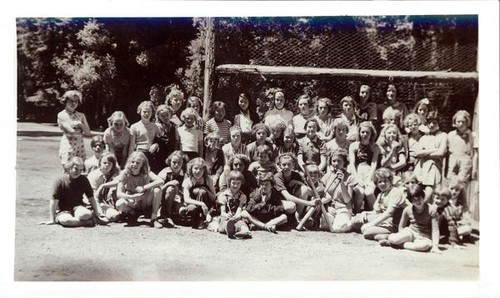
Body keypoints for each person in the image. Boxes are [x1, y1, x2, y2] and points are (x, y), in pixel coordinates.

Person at [41, 157, 108, 227]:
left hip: (78, 207)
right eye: (76, 169)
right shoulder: (60, 181)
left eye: (81, 170)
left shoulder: (83, 180)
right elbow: (54, 200)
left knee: (85, 215)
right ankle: (89, 222)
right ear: (69, 167)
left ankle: (83, 219)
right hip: (63, 210)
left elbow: (91, 198)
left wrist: (98, 213)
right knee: (66, 221)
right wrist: (52, 219)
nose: (78, 172)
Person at [380, 184, 440, 253]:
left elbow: (435, 229)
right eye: (414, 199)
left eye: (419, 198)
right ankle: (393, 241)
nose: (417, 201)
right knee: (393, 239)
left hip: (424, 237)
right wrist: (401, 236)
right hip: (410, 233)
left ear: (423, 196)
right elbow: (401, 226)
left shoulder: (432, 210)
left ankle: (399, 245)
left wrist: (435, 246)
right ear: (411, 200)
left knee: (425, 246)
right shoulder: (408, 209)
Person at [355, 168, 407, 242]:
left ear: (390, 181)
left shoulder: (395, 192)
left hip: (396, 223)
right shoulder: (381, 194)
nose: (382, 184)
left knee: (367, 231)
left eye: (385, 181)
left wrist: (371, 224)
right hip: (386, 221)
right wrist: (365, 212)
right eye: (380, 182)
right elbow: (377, 212)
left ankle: (390, 235)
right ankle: (381, 236)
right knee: (358, 219)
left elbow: (389, 213)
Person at [115, 151, 164, 228]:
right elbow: (119, 193)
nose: (134, 165)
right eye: (132, 162)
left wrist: (144, 187)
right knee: (119, 204)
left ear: (142, 164)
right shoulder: (125, 173)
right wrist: (133, 197)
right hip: (132, 200)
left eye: (137, 163)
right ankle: (133, 214)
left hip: (144, 199)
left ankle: (154, 219)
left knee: (157, 189)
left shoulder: (146, 172)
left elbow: (160, 181)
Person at [414, 110, 448, 203]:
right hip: (422, 167)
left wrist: (424, 154)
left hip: (435, 166)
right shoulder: (424, 138)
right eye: (429, 123)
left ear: (438, 124)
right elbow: (417, 153)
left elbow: (441, 153)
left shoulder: (443, 136)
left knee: (433, 192)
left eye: (434, 122)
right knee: (422, 189)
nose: (432, 125)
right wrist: (434, 150)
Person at [321, 149, 357, 232]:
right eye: (334, 161)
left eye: (339, 161)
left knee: (338, 228)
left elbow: (347, 199)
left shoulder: (349, 177)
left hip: (343, 208)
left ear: (344, 162)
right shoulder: (328, 175)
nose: (336, 164)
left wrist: (342, 183)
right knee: (324, 225)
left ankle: (349, 220)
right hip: (330, 208)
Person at [274, 153, 315, 225]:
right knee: (291, 206)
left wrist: (298, 182)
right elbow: (288, 197)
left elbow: (310, 191)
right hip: (280, 201)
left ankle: (297, 218)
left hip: (295, 201)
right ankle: (291, 219)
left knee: (304, 189)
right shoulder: (278, 177)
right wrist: (309, 203)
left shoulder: (297, 175)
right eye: (284, 164)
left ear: (293, 165)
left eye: (289, 164)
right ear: (280, 165)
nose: (286, 167)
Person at [348, 121, 380, 213]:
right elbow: (352, 164)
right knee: (360, 192)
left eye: (367, 132)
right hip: (357, 172)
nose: (365, 134)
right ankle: (357, 214)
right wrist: (357, 179)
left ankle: (375, 213)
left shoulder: (375, 147)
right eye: (362, 132)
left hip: (370, 173)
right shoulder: (353, 146)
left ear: (371, 134)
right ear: (359, 133)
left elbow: (374, 163)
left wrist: (369, 179)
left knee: (369, 192)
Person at [57, 90, 91, 168]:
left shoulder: (81, 115)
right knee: (68, 168)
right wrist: (81, 128)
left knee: (80, 169)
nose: (74, 103)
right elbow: (71, 131)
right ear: (65, 101)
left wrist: (79, 124)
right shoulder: (62, 114)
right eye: (71, 101)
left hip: (80, 146)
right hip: (68, 145)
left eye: (76, 101)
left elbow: (88, 132)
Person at [182, 157, 217, 229]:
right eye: (196, 168)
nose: (198, 171)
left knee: (202, 191)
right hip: (194, 205)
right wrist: (201, 203)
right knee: (192, 208)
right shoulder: (187, 181)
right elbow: (186, 199)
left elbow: (214, 197)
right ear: (191, 169)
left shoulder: (208, 180)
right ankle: (197, 219)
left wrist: (205, 189)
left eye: (201, 169)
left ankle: (201, 219)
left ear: (204, 170)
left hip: (207, 205)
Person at [216, 170, 252, 239]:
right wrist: (226, 215)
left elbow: (240, 208)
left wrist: (237, 215)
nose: (236, 185)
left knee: (241, 222)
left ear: (241, 183)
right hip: (226, 217)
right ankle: (229, 229)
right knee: (224, 222)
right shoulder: (223, 195)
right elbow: (222, 212)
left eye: (238, 183)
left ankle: (245, 230)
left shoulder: (242, 196)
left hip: (236, 217)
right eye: (233, 183)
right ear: (229, 182)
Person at [87, 153, 121, 222]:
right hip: (94, 202)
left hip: (107, 202)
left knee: (114, 216)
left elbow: (120, 181)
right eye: (104, 163)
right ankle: (95, 215)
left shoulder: (115, 173)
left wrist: (103, 186)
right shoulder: (93, 175)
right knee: (112, 216)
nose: (107, 165)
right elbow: (93, 197)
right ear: (100, 163)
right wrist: (98, 211)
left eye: (109, 163)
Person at [157, 151, 187, 227]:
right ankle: (167, 216)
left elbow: (185, 193)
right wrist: (168, 184)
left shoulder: (185, 175)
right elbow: (157, 191)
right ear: (170, 162)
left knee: (183, 210)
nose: (176, 165)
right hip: (164, 199)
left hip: (178, 200)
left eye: (179, 163)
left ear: (183, 163)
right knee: (171, 189)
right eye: (174, 162)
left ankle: (177, 214)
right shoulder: (164, 172)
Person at [447, 110, 478, 182]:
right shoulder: (451, 135)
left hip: (465, 160)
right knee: (451, 184)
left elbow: (476, 153)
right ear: (455, 122)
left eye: (463, 122)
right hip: (453, 159)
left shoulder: (473, 135)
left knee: (462, 184)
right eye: (458, 121)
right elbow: (447, 151)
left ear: (467, 122)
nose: (460, 124)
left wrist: (475, 168)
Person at [151, 104, 180, 174]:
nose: (165, 117)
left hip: (171, 152)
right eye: (162, 116)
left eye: (167, 115)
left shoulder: (174, 126)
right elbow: (156, 140)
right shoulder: (157, 126)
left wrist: (174, 153)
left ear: (170, 113)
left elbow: (176, 140)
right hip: (160, 154)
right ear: (158, 116)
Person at [130, 101, 159, 168]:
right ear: (140, 112)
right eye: (144, 112)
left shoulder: (155, 127)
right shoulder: (134, 126)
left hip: (151, 155)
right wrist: (131, 159)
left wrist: (156, 144)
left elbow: (158, 140)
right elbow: (131, 146)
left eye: (149, 112)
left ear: (152, 113)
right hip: (139, 154)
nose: (147, 114)